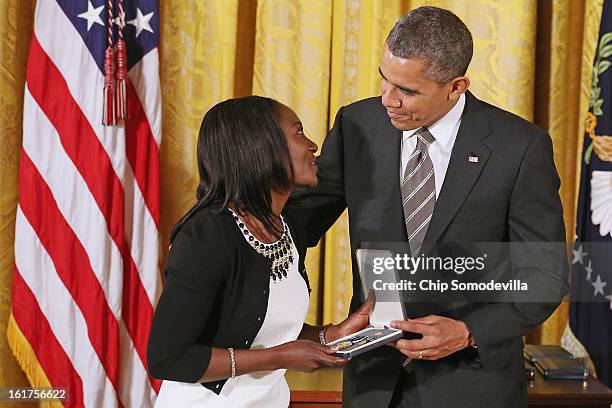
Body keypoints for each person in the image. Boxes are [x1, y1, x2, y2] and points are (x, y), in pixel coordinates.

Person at [294, 6, 569, 408]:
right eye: (384, 80)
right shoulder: (358, 125)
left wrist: (467, 330)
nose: (388, 100)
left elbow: (544, 274)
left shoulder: (519, 147)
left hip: (472, 384)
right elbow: (295, 222)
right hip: (374, 382)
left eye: (407, 91)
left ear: (456, 86)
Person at [147, 96, 372, 408]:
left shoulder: (289, 224)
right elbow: (168, 358)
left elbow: (257, 329)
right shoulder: (207, 236)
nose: (312, 145)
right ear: (260, 148)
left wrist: (329, 335)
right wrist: (279, 357)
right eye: (298, 133)